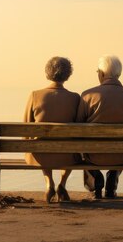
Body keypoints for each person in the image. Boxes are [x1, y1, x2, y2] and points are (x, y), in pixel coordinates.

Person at [76, 55, 123, 199]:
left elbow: (77, 129)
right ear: (119, 74)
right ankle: (112, 180)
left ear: (101, 73)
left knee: (80, 145)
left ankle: (95, 183)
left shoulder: (87, 96)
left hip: (93, 156)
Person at [23, 56, 80, 203]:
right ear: (68, 74)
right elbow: (80, 130)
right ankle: (62, 184)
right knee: (71, 146)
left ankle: (49, 182)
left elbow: (25, 128)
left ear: (48, 72)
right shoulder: (75, 98)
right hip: (67, 155)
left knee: (40, 144)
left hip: (40, 155)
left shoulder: (35, 95)